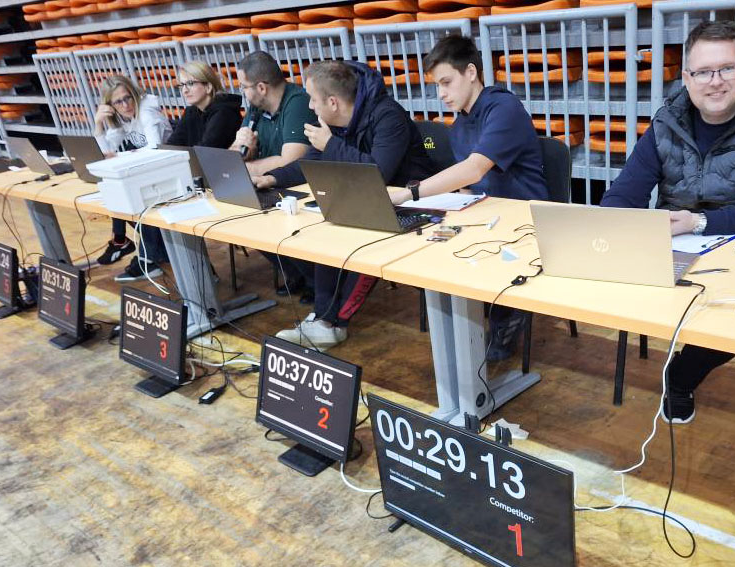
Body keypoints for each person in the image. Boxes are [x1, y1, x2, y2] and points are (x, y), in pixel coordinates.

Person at [600, 20, 735, 423]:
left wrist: (699, 222)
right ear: (686, 77)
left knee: (729, 300)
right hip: (680, 242)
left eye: (726, 68)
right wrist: (609, 224)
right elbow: (625, 192)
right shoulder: (668, 119)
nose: (716, 81)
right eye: (703, 72)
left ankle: (680, 376)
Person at [389, 34, 549, 361]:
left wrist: (411, 193)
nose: (441, 94)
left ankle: (504, 319)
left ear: (471, 73)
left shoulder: (503, 108)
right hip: (487, 214)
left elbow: (474, 170)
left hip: (523, 220)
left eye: (446, 82)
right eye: (437, 85)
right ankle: (468, 320)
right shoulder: (461, 122)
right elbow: (467, 186)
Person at [256, 60, 435, 351]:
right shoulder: (333, 125)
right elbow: (311, 163)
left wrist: (331, 145)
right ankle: (324, 319)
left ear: (333, 102)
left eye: (313, 99)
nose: (310, 106)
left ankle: (333, 323)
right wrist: (272, 177)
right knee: (328, 230)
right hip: (367, 202)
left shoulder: (388, 116)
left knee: (364, 241)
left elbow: (377, 174)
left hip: (414, 203)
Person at [116, 61, 243, 282]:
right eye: (181, 85)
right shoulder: (193, 111)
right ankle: (168, 262)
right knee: (140, 201)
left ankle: (189, 271)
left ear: (208, 86)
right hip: (199, 178)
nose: (184, 90)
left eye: (190, 84)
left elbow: (205, 152)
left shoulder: (224, 113)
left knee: (158, 204)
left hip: (222, 181)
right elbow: (172, 146)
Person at [230, 51, 316, 303]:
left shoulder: (297, 103)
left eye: (244, 87)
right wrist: (241, 147)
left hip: (301, 185)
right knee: (239, 218)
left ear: (261, 87)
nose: (242, 93)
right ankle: (295, 272)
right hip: (268, 184)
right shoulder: (255, 109)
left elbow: (290, 162)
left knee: (266, 217)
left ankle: (315, 280)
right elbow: (234, 160)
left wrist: (246, 167)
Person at [93, 75, 172, 266]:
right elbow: (106, 152)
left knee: (124, 192)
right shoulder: (122, 118)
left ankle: (142, 251)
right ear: (110, 106)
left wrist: (122, 156)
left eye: (128, 97)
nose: (126, 105)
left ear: (134, 94)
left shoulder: (147, 111)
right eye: (118, 102)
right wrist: (98, 124)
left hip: (169, 170)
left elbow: (155, 149)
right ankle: (141, 248)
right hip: (150, 172)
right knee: (115, 190)